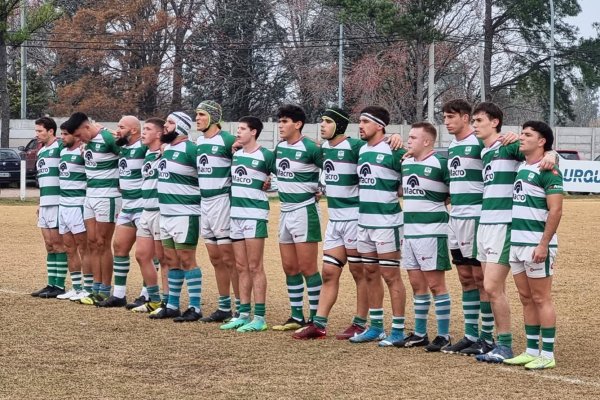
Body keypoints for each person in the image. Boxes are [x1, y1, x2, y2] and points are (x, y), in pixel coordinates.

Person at [471, 102, 555, 363]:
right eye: (472, 121)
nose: (475, 125)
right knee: (486, 288)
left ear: (494, 122)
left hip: (504, 225)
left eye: (479, 120)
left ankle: (505, 344)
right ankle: (493, 341)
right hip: (484, 224)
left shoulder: (509, 145)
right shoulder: (484, 151)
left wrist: (553, 154)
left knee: (492, 287)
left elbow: (539, 154)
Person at [292, 107, 369, 340]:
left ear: (340, 125)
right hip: (334, 220)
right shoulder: (322, 149)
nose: (322, 125)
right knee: (328, 272)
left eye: (327, 121)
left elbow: (380, 153)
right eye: (322, 121)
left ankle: (360, 323)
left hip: (355, 219)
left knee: (359, 273)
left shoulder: (356, 147)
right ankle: (319, 324)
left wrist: (395, 139)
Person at [503, 121, 563, 370]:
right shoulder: (521, 167)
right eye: (521, 133)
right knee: (526, 298)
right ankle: (530, 350)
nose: (521, 137)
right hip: (516, 243)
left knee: (541, 298)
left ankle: (547, 354)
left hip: (536, 245)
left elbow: (556, 210)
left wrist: (543, 244)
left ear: (542, 142)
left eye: (528, 135)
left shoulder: (548, 170)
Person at [349, 106, 407, 347]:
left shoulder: (395, 149)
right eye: (359, 121)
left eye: (365, 121)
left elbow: (411, 176)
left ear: (379, 125)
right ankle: (375, 327)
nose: (360, 126)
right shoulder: (361, 150)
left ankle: (398, 330)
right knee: (370, 273)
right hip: (364, 222)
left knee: (391, 275)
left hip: (388, 223)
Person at [395, 122, 452, 352]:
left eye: (414, 137)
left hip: (432, 232)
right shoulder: (406, 163)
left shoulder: (440, 162)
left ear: (427, 141)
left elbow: (452, 192)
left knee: (436, 284)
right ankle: (420, 333)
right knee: (417, 283)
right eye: (409, 137)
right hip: (409, 232)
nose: (409, 141)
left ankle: (444, 335)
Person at [271, 104, 324, 331]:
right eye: (279, 121)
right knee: (289, 267)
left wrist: (321, 187)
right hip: (285, 210)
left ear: (298, 124)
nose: (280, 125)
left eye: (285, 121)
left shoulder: (311, 148)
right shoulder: (280, 148)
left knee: (308, 267)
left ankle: (315, 318)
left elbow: (333, 170)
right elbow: (273, 172)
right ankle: (296, 316)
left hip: (305, 211)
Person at [219, 116, 274, 332]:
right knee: (240, 266)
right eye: (237, 128)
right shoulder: (236, 155)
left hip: (255, 215)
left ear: (254, 132)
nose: (238, 132)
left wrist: (270, 184)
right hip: (236, 215)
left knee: (254, 266)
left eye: (242, 129)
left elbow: (283, 176)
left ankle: (259, 317)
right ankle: (242, 314)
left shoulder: (266, 155)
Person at [149, 112, 203, 322]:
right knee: (171, 260)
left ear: (181, 127)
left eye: (170, 123)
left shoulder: (192, 149)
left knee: (187, 259)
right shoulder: (166, 149)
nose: (165, 126)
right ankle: (172, 304)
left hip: (186, 213)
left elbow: (209, 174)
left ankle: (195, 307)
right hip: (166, 213)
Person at [68, 112, 121, 305]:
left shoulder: (107, 137)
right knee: (91, 242)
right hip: (90, 196)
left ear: (86, 127)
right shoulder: (87, 142)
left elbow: (127, 156)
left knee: (102, 242)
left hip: (108, 196)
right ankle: (95, 288)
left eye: (80, 135)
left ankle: (105, 290)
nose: (79, 140)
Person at [195, 100, 240, 323]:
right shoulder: (199, 141)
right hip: (205, 204)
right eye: (196, 115)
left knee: (228, 258)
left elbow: (247, 163)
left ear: (213, 117)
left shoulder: (229, 140)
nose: (197, 118)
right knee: (215, 258)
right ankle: (224, 307)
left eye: (201, 114)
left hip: (222, 201)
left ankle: (241, 307)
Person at [98, 116, 147, 307]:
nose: (117, 130)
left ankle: (147, 293)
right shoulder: (123, 148)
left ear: (134, 130)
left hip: (144, 206)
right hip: (127, 206)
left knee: (147, 254)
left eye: (121, 127)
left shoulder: (144, 146)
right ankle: (119, 294)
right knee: (119, 248)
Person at [130, 118, 168, 313]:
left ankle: (169, 302)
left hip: (162, 211)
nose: (143, 133)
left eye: (148, 129)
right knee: (142, 255)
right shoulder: (146, 153)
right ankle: (153, 299)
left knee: (164, 258)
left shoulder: (167, 152)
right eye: (143, 129)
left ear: (160, 134)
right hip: (146, 210)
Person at [30, 117, 67, 298]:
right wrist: (40, 201)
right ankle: (50, 283)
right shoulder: (41, 151)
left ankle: (59, 286)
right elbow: (43, 180)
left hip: (58, 202)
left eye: (39, 131)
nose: (37, 134)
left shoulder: (60, 147)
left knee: (59, 244)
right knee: (49, 245)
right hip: (45, 203)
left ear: (51, 131)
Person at [55, 121, 90, 301]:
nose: (62, 138)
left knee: (83, 248)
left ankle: (88, 287)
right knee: (69, 248)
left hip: (78, 204)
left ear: (76, 136)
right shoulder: (62, 152)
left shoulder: (83, 151)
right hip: (64, 204)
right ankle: (76, 287)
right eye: (61, 134)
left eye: (65, 134)